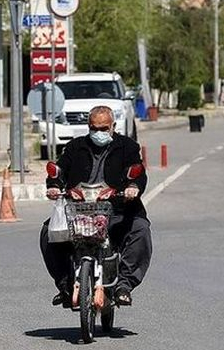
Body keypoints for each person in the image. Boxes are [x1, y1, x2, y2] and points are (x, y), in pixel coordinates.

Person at [40, 105, 152, 307]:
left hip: (118, 210)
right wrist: (54, 186)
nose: (98, 133)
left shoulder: (127, 147)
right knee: (49, 232)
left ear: (113, 126)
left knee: (141, 230)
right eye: (94, 128)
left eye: (103, 128)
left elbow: (138, 172)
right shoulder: (76, 147)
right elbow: (60, 169)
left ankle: (124, 286)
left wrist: (132, 187)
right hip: (78, 212)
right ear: (88, 127)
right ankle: (66, 286)